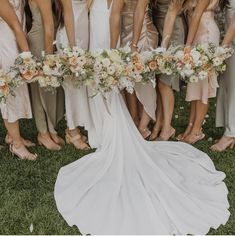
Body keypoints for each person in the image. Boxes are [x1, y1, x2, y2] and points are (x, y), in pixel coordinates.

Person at [54, 0, 229, 234]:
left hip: (107, 40)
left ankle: (111, 129)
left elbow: (116, 16)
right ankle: (102, 127)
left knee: (115, 85)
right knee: (102, 85)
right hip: (96, 36)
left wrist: (116, 49)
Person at [110, 0, 158, 139]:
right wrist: (113, 47)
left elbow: (140, 10)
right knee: (128, 79)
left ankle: (144, 125)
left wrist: (134, 44)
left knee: (146, 80)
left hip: (143, 34)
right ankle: (133, 117)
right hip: (125, 33)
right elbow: (115, 13)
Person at [25, 0, 65, 151]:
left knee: (49, 88)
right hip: (41, 40)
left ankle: (51, 130)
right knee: (40, 88)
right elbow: (48, 26)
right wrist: (49, 59)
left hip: (47, 39)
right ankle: (43, 133)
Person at [179, 0, 220, 144]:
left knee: (203, 85)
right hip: (197, 34)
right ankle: (190, 126)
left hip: (206, 35)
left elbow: (196, 15)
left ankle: (197, 130)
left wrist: (187, 46)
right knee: (195, 83)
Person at [0, 0, 37, 160]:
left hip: (16, 42)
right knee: (10, 93)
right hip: (7, 46)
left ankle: (13, 135)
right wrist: (28, 59)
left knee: (15, 91)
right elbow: (15, 25)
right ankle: (16, 145)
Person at [150, 0, 187, 141]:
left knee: (165, 83)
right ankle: (158, 124)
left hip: (173, 32)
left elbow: (172, 12)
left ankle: (167, 128)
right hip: (158, 28)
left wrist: (164, 48)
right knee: (159, 81)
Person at [55, 0, 90, 150]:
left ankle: (77, 124)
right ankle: (71, 130)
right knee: (71, 87)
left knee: (80, 85)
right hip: (71, 36)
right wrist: (72, 48)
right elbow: (68, 12)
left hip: (83, 31)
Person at [211, 0, 235, 152]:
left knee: (233, 89)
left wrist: (222, 49)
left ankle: (231, 133)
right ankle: (229, 128)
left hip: (232, 43)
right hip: (231, 44)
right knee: (228, 86)